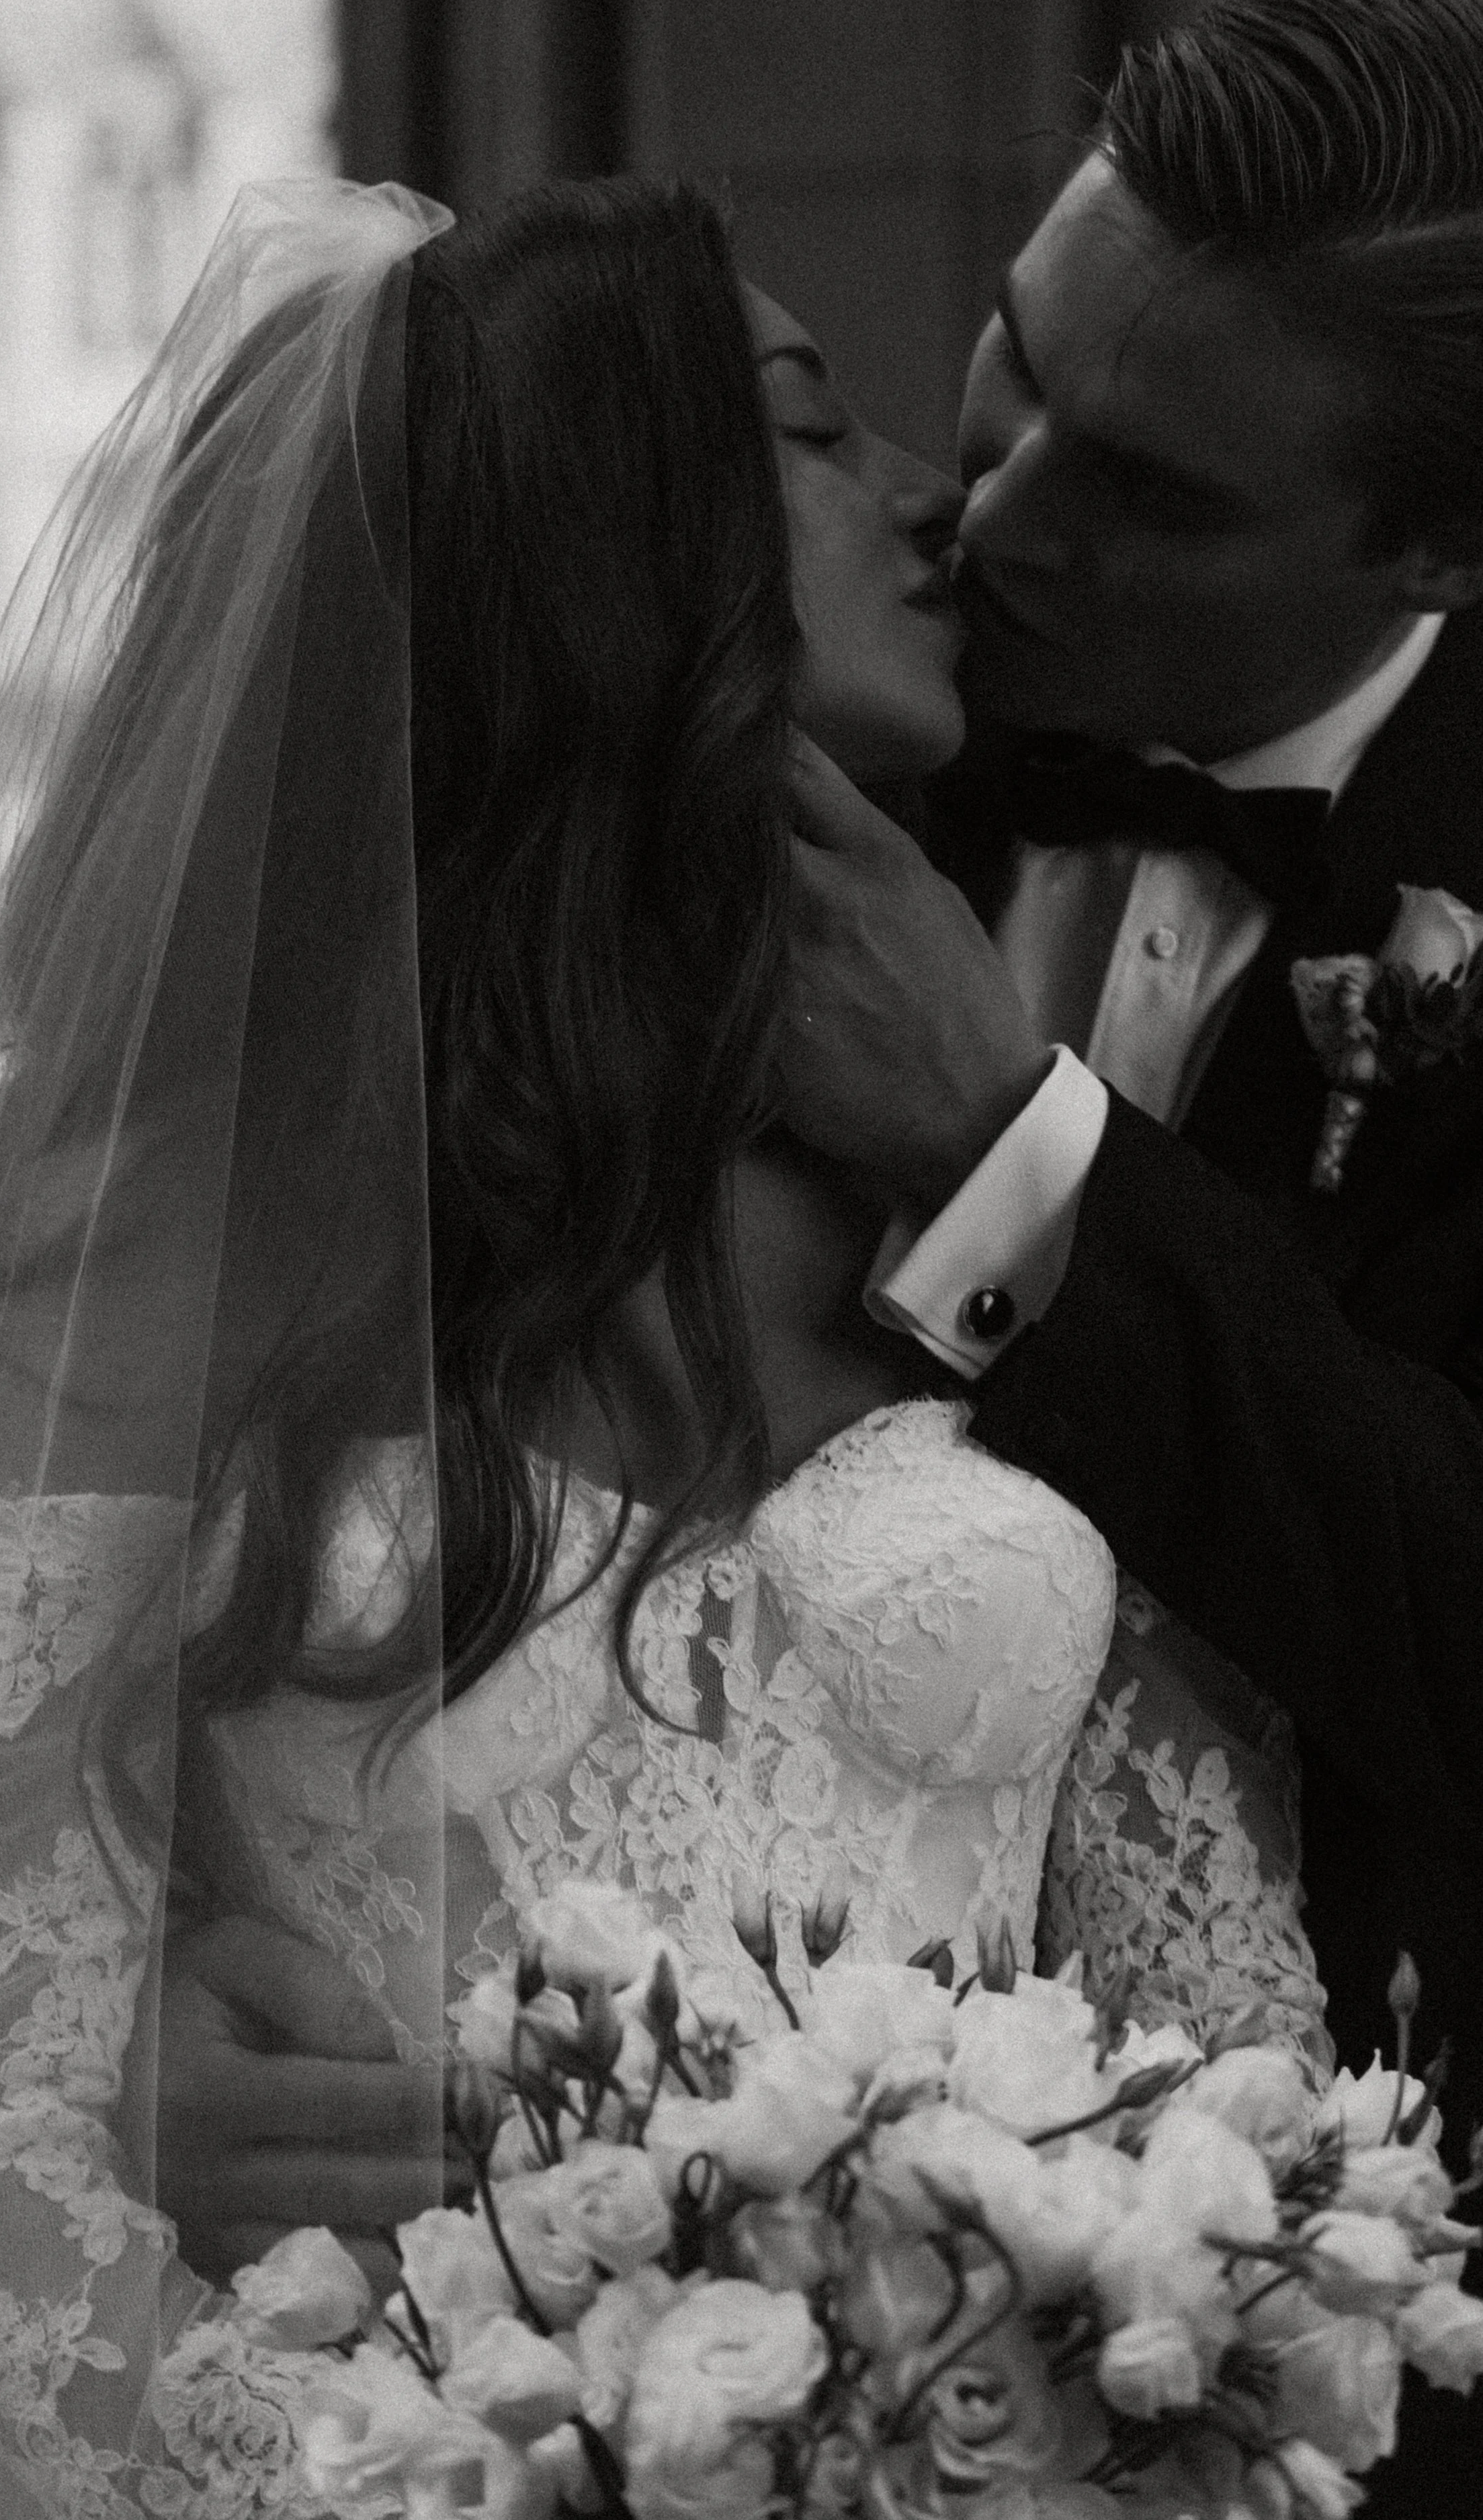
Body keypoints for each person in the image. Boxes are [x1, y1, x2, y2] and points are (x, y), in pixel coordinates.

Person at [0, 173, 1318, 2518]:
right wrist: (448, 2482)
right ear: (619, 548)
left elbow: (1222, 2024)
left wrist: (1116, 2416)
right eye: (813, 432)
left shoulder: (963, 1145)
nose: (931, 494)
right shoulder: (145, 1237)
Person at [781, 4, 1483, 2509]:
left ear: (1435, 547)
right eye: (1014, 357)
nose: (1002, 514)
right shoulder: (825, 687)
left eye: (1152, 491)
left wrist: (1015, 1148)